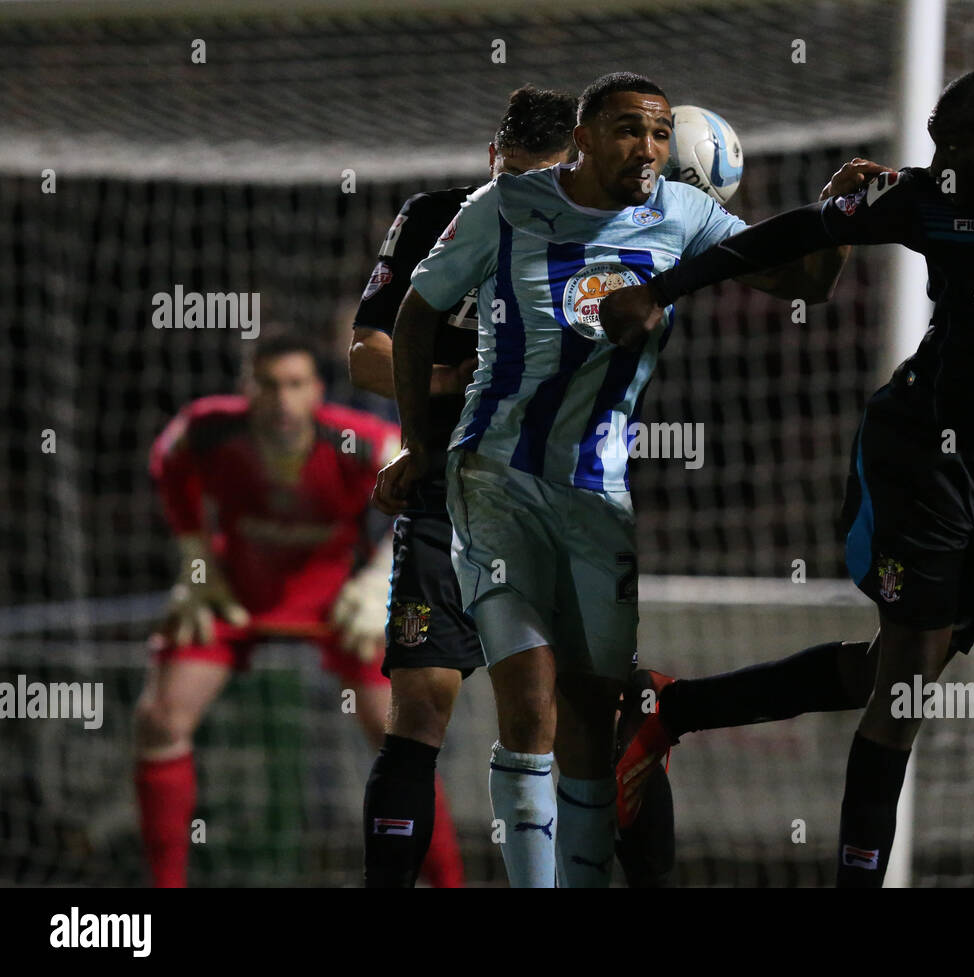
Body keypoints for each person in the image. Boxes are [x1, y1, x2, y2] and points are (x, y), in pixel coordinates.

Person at [603, 66, 974, 887]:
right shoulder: (932, 199)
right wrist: (660, 291)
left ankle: (672, 709)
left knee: (896, 671)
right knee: (908, 689)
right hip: (926, 453)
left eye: (954, 145)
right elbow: (793, 233)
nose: (937, 158)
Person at [372, 71, 847, 887]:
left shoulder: (684, 214)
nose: (650, 148)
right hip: (494, 479)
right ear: (585, 140)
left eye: (661, 134)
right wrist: (419, 439)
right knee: (527, 706)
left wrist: (840, 214)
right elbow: (412, 315)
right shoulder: (503, 207)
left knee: (594, 720)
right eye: (631, 131)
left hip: (597, 495)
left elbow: (803, 279)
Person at [135, 333, 463, 887]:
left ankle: (450, 885)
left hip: (340, 604)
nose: (282, 400)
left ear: (317, 391)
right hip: (236, 597)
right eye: (268, 385)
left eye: (295, 385)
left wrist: (379, 579)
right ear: (247, 388)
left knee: (407, 739)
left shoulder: (358, 442)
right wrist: (195, 560)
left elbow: (428, 482)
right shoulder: (209, 429)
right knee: (159, 719)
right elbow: (167, 461)